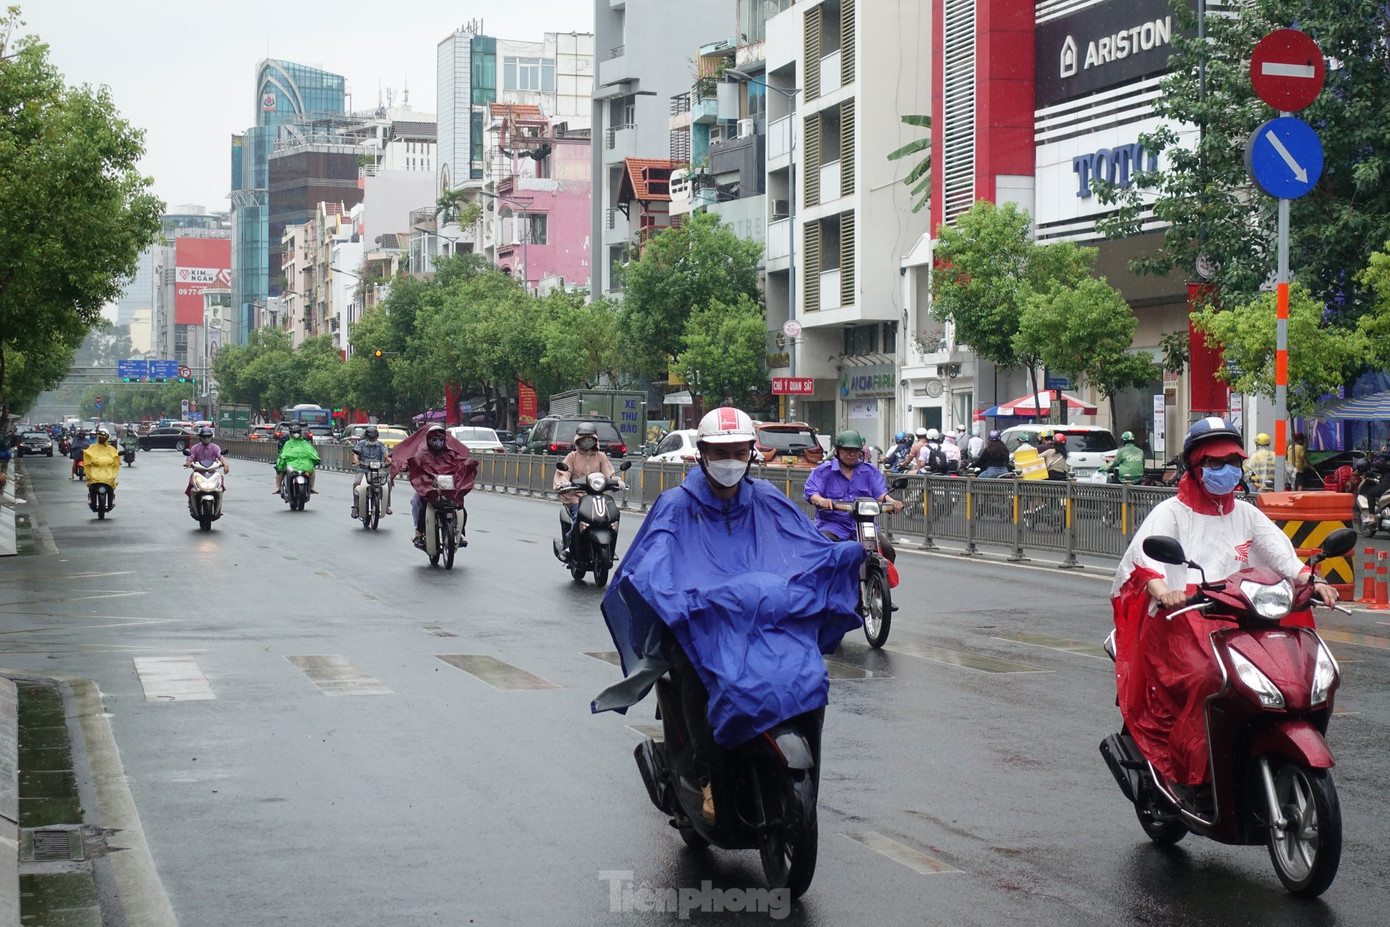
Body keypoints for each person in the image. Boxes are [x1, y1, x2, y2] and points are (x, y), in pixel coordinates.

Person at [591, 407, 863, 822]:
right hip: (699, 622)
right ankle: (707, 778)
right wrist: (676, 600)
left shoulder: (768, 499)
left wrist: (846, 555)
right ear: (701, 453)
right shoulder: (675, 506)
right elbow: (651, 562)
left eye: (739, 451)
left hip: (760, 621)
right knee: (698, 673)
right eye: (721, 452)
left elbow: (805, 546)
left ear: (752, 453)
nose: (731, 461)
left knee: (807, 671)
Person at [1110, 418, 1338, 805]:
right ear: (1195, 467)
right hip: (1185, 620)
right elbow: (1143, 559)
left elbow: (1280, 552)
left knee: (1294, 673)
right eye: (1215, 463)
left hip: (1245, 619)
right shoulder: (1173, 512)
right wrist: (1163, 588)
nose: (1226, 470)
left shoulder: (1246, 513)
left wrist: (1310, 579)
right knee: (1208, 679)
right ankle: (1191, 775)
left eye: (1233, 460)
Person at [805, 430, 903, 563]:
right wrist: (821, 500)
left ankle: (879, 581)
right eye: (847, 450)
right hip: (833, 525)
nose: (851, 454)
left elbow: (880, 493)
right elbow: (812, 493)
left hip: (865, 525)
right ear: (837, 451)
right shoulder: (823, 471)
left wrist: (892, 502)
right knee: (824, 551)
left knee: (887, 549)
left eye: (855, 451)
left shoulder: (870, 471)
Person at [401, 423, 477, 549]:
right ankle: (418, 533)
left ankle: (460, 534)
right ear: (429, 440)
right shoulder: (422, 454)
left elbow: (460, 464)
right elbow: (414, 463)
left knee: (461, 508)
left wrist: (467, 466)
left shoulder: (451, 453)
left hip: (448, 488)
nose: (438, 442)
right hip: (428, 488)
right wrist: (408, 466)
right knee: (417, 503)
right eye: (434, 439)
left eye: (441, 439)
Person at [553, 422, 616, 557]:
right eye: (584, 439)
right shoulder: (572, 457)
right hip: (577, 498)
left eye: (590, 439)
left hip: (599, 497)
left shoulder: (601, 457)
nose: (587, 442)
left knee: (612, 517)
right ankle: (570, 544)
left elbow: (609, 474)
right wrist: (563, 483)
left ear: (595, 440)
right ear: (577, 440)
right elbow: (563, 474)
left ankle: (611, 547)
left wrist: (618, 482)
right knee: (578, 516)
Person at [350, 425, 394, 518]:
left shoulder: (381, 445)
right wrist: (356, 460)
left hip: (378, 469)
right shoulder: (361, 444)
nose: (372, 439)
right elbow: (356, 454)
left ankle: (386, 506)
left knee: (389, 481)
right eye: (371, 438)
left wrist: (391, 461)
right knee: (356, 483)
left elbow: (386, 456)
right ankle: (356, 507)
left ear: (377, 437)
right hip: (363, 469)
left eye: (374, 438)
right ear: (367, 437)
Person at [273, 425, 319, 495]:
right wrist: (282, 458)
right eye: (294, 432)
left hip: (304, 462)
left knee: (312, 469)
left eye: (298, 432)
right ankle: (278, 487)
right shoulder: (287, 443)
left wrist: (314, 458)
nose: (296, 434)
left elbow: (312, 452)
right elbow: (283, 452)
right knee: (280, 468)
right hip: (291, 462)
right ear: (291, 433)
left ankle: (311, 487)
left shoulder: (305, 442)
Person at [184, 426, 229, 497]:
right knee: (191, 482)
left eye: (208, 436)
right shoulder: (195, 448)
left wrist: (225, 465)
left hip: (212, 472)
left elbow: (220, 457)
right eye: (204, 436)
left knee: (220, 479)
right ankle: (191, 500)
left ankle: (218, 498)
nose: (206, 438)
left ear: (211, 437)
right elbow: (191, 456)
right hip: (199, 472)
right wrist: (188, 463)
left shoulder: (215, 447)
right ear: (200, 437)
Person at [83, 428, 121, 509]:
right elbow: (87, 453)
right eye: (100, 437)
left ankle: (112, 497)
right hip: (95, 473)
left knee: (111, 486)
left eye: (103, 438)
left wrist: (119, 454)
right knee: (92, 486)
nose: (101, 439)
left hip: (107, 473)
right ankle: (90, 496)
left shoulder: (111, 449)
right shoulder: (92, 447)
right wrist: (83, 452)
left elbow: (116, 455)